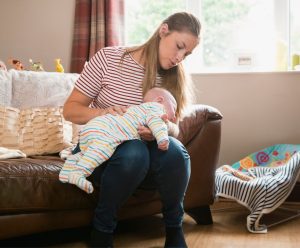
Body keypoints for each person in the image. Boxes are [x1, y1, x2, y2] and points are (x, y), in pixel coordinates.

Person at [63, 11, 200, 248]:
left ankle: (174, 229)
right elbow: (70, 110)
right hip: (105, 151)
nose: (180, 57)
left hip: (149, 157)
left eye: (186, 54)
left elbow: (175, 130)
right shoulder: (108, 58)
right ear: (163, 30)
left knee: (176, 151)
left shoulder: (173, 78)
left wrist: (163, 128)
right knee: (134, 151)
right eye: (179, 46)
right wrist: (103, 113)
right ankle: (102, 230)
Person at [59, 87, 177, 194]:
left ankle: (67, 171)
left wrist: (168, 127)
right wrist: (162, 138)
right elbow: (156, 123)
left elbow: (174, 127)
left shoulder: (136, 109)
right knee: (103, 148)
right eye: (173, 108)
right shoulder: (156, 108)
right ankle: (78, 173)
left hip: (94, 126)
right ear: (160, 100)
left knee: (87, 150)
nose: (174, 117)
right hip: (107, 130)